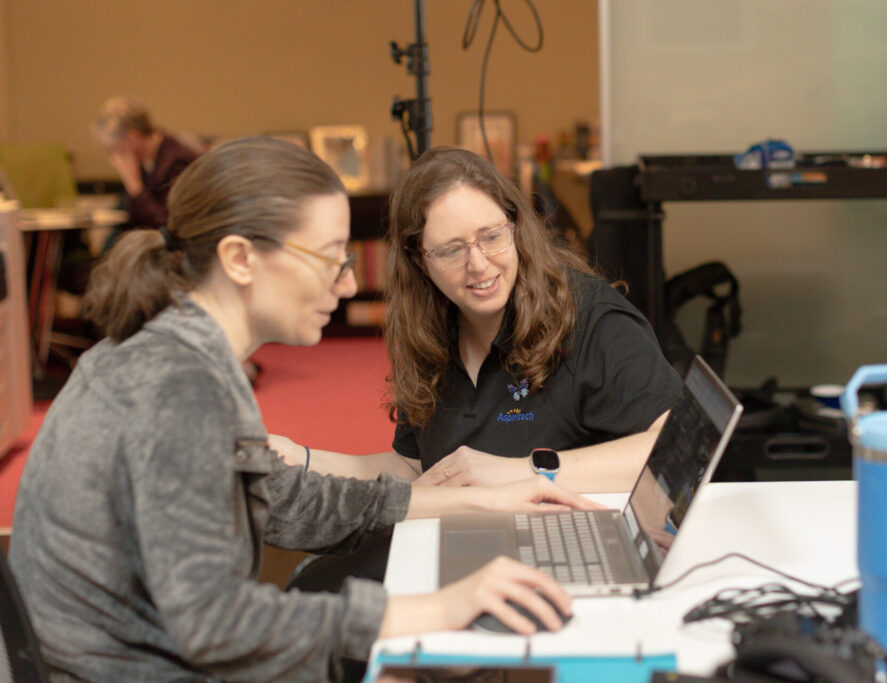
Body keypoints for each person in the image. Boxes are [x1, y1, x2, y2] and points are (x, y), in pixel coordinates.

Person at [8, 137, 596, 682]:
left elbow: (278, 496)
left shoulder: (165, 351)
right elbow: (218, 625)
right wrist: (438, 605)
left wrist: (470, 500)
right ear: (239, 258)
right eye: (329, 258)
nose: (345, 286)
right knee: (421, 658)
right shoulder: (180, 387)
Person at [275, 146, 681, 493]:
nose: (479, 265)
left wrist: (517, 473)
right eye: (452, 250)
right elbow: (416, 470)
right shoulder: (429, 330)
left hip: (574, 539)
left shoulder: (591, 317)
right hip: (469, 534)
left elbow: (675, 446)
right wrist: (302, 458)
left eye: (491, 236)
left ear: (516, 227)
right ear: (421, 261)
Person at [93, 95, 200, 231]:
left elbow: (166, 226)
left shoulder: (177, 161)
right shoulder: (147, 160)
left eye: (114, 148)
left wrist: (134, 185)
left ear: (132, 138)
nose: (114, 158)